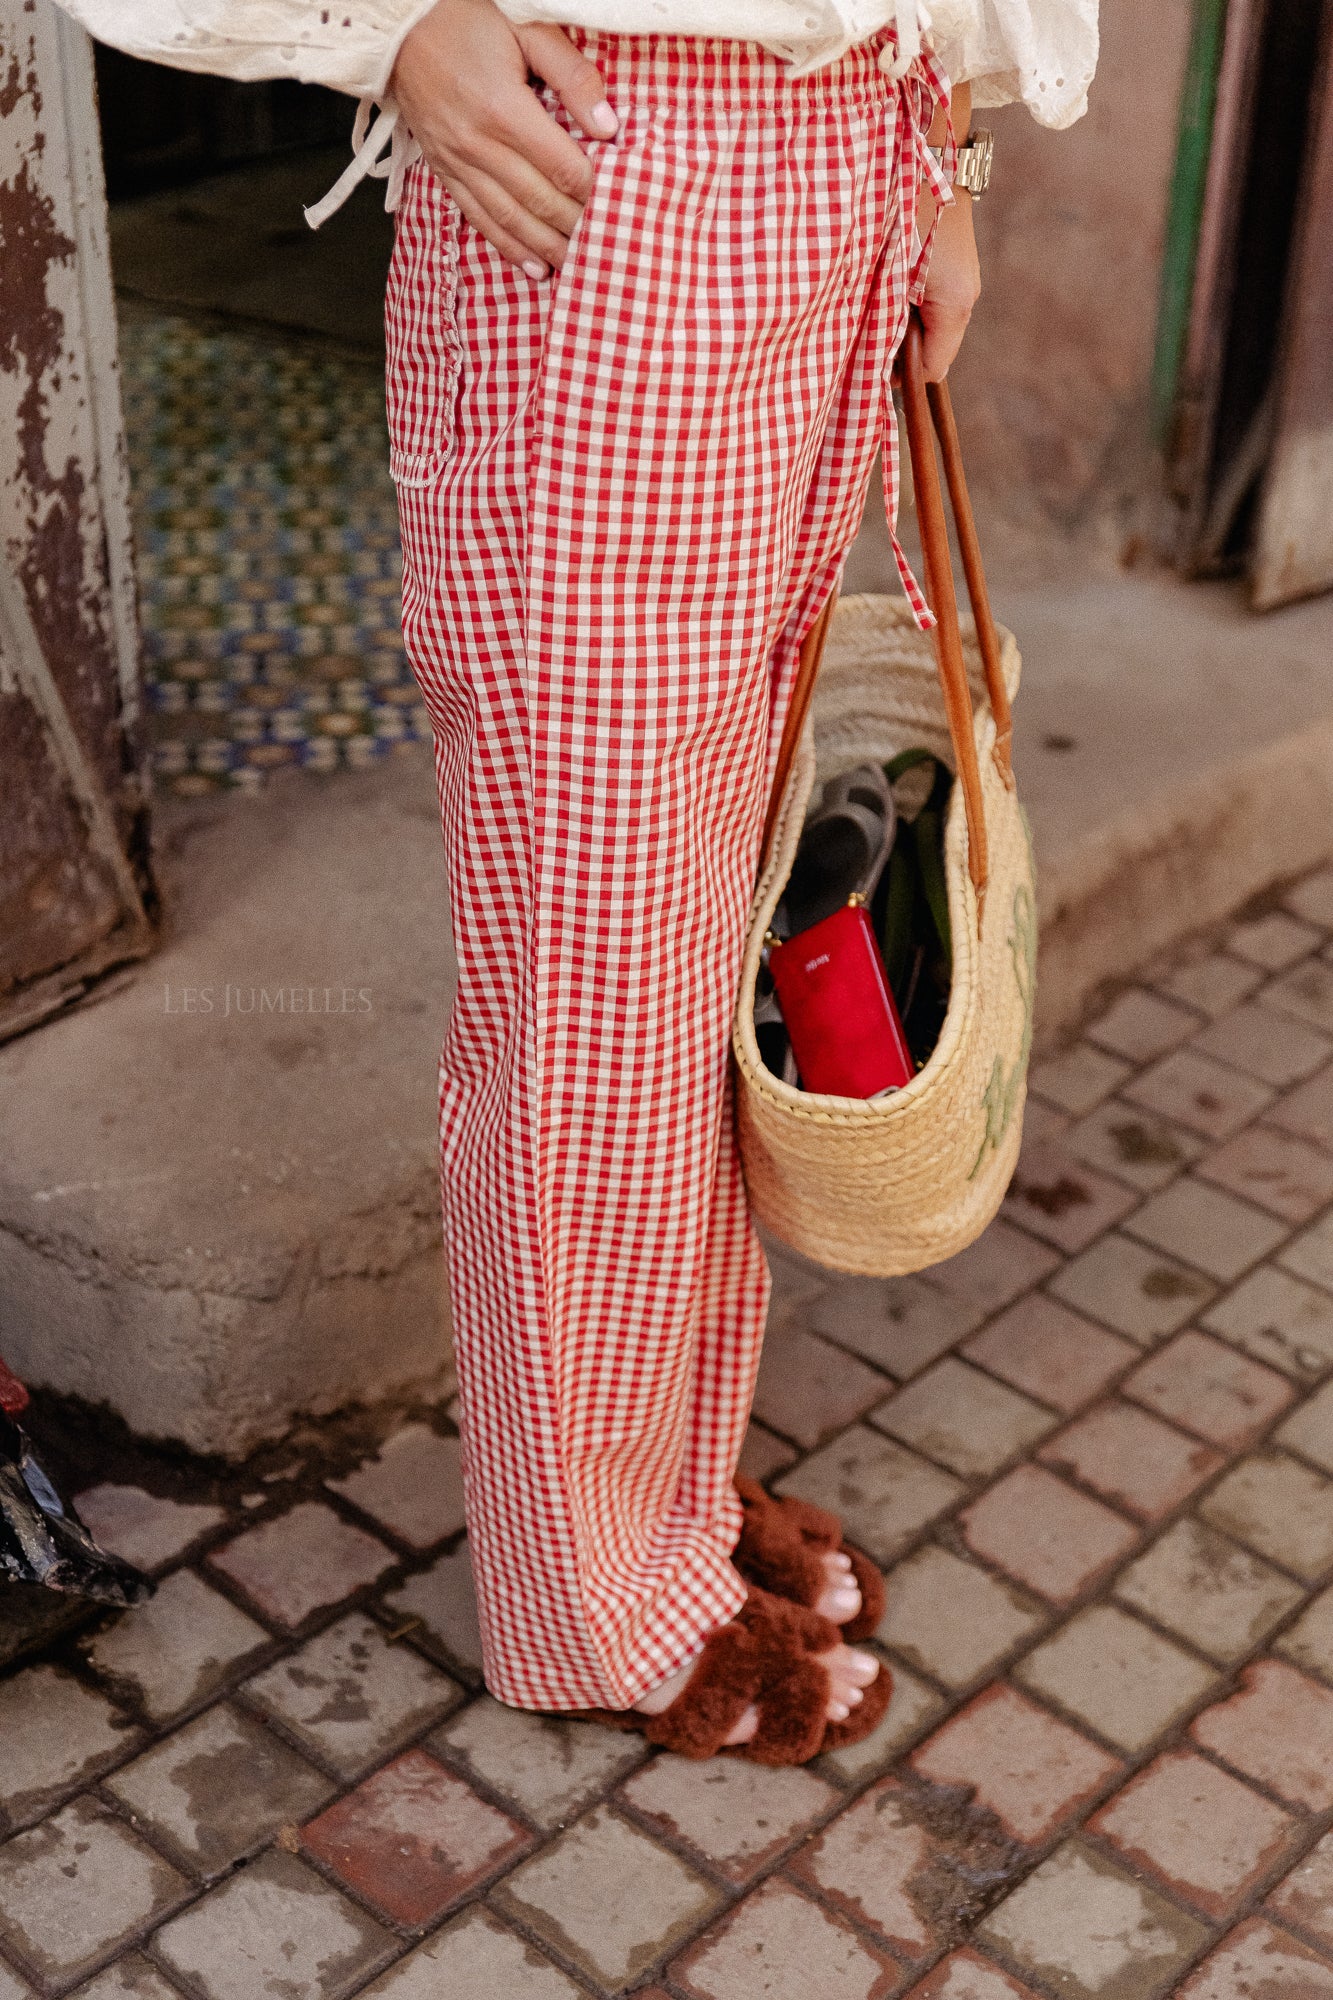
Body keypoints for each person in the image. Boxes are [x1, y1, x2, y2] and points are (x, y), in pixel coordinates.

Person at [59, 0, 1098, 1761]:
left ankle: (667, 1490)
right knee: (594, 974)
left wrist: (943, 150)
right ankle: (591, 1594)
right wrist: (391, 31)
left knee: (704, 935)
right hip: (597, 165)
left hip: (843, 147)